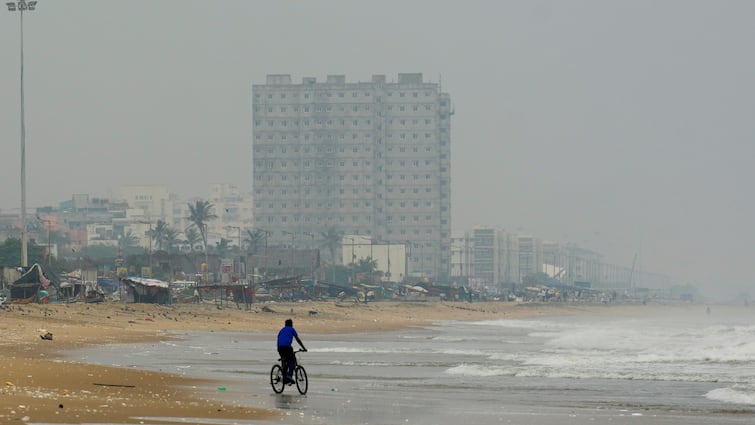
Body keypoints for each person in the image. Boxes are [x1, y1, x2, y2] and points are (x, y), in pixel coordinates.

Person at [277, 319, 307, 384]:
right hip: (287, 347)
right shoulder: (292, 329)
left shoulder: (281, 330)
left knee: (284, 361)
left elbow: (278, 339)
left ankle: (284, 377)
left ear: (285, 324)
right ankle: (289, 376)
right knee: (292, 361)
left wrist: (279, 350)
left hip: (280, 348)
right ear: (291, 324)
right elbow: (298, 340)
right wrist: (304, 348)